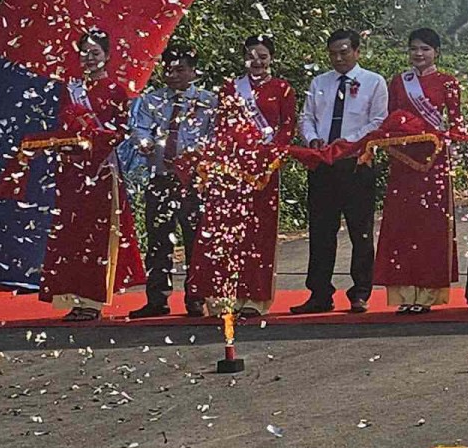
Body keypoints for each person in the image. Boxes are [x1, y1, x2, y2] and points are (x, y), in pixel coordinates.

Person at [38, 30, 143, 321]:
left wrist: (95, 140)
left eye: (95, 52)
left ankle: (94, 300)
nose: (89, 57)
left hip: (101, 170)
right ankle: (73, 296)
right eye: (84, 52)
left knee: (97, 237)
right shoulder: (69, 89)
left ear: (107, 56)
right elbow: (60, 123)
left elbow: (121, 130)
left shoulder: (115, 90)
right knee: (72, 234)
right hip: (73, 170)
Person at [188, 35, 295, 317]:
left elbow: (286, 129)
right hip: (232, 171)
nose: (257, 62)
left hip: (263, 172)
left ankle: (255, 299)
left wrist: (271, 157)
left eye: (263, 56)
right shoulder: (230, 89)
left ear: (271, 58)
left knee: (259, 233)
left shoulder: (282, 89)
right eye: (251, 56)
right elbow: (222, 128)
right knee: (229, 232)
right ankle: (227, 297)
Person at [291, 30, 389, 314]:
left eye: (344, 52)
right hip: (322, 163)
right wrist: (312, 140)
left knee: (361, 232)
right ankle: (319, 293)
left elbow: (378, 121)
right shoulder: (320, 82)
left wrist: (347, 143)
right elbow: (306, 116)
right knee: (321, 231)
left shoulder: (373, 82)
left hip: (357, 163)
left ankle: (360, 292)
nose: (338, 58)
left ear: (357, 52)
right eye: (333, 53)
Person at [124, 44, 218, 318]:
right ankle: (157, 299)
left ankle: (196, 297)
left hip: (193, 179)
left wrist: (199, 155)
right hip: (161, 176)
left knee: (195, 239)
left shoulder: (208, 100)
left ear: (193, 72)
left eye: (181, 70)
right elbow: (139, 128)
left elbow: (214, 135)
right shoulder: (152, 100)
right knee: (158, 239)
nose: (174, 75)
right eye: (169, 69)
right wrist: (145, 142)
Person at [376, 28, 463, 314]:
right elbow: (391, 118)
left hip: (435, 159)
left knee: (431, 225)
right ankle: (403, 294)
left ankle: (427, 294)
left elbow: (455, 123)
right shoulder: (400, 82)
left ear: (436, 51)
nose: (419, 54)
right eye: (414, 48)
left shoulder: (448, 82)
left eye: (425, 49)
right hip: (403, 159)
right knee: (403, 224)